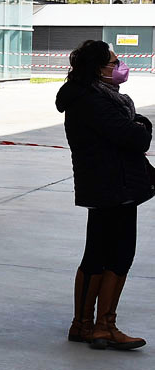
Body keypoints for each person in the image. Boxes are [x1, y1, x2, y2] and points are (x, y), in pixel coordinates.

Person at [56, 40, 154, 351]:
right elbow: (132, 138)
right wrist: (143, 123)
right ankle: (102, 326)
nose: (119, 66)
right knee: (118, 254)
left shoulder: (87, 96)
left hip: (106, 185)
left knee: (100, 253)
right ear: (99, 69)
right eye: (113, 62)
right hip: (114, 187)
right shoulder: (94, 101)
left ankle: (86, 325)